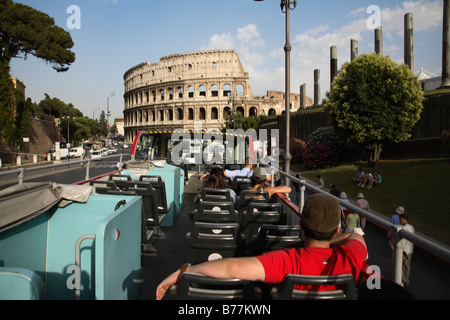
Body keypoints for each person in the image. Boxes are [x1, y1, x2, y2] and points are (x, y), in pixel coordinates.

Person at [156, 193, 367, 300]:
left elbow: (232, 268)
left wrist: (185, 270)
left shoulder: (287, 261)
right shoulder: (353, 255)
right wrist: (336, 240)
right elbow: (357, 238)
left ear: (301, 224)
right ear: (336, 231)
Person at [398, 214, 414, 286]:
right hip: (410, 250)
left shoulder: (403, 229)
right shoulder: (411, 227)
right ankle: (406, 280)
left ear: (405, 220)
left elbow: (403, 241)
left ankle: (403, 280)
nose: (399, 221)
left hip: (404, 250)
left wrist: (401, 250)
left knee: (400, 265)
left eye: (400, 220)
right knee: (407, 266)